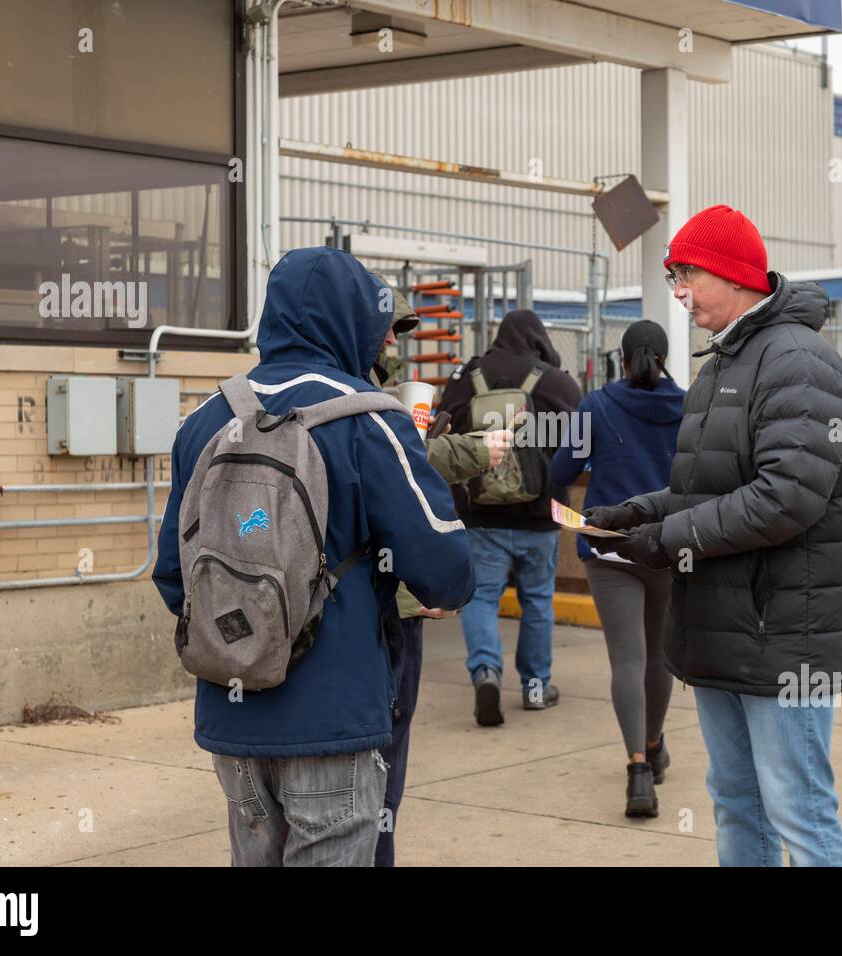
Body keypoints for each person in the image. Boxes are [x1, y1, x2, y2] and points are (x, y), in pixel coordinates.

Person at [153, 248, 475, 867]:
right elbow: (446, 567)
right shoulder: (370, 418)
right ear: (350, 320)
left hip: (233, 718)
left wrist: (247, 633)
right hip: (335, 719)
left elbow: (175, 574)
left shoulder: (205, 421)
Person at [588, 205, 842, 867]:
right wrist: (641, 513)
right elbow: (713, 485)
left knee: (798, 809)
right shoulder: (721, 367)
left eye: (687, 274)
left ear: (735, 275)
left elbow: (784, 497)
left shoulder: (797, 360)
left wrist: (665, 538)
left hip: (779, 631)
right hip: (722, 626)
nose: (677, 291)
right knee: (737, 802)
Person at [370, 283, 511, 866]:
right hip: (388, 607)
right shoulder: (362, 398)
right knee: (380, 751)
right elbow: (406, 468)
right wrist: (476, 451)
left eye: (397, 330)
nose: (391, 339)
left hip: (376, 598)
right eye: (384, 327)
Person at [549, 319, 684, 818]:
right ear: (665, 359)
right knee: (660, 657)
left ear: (621, 361)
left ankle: (638, 774)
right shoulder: (691, 406)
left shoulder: (596, 406)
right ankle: (653, 744)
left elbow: (561, 471)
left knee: (628, 659)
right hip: (671, 547)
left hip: (610, 549)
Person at [438, 309, 583, 727]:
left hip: (480, 515)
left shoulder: (467, 377)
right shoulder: (555, 381)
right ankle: (536, 689)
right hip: (540, 516)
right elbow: (580, 441)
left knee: (481, 597)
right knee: (536, 600)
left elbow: (440, 433)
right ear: (538, 339)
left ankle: (486, 673)